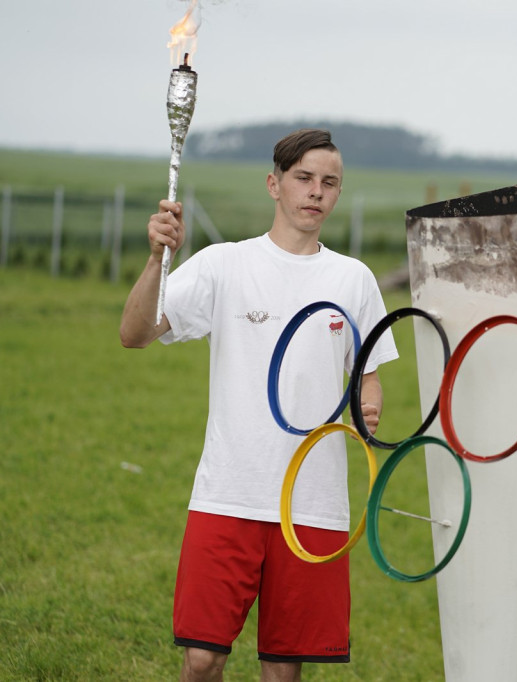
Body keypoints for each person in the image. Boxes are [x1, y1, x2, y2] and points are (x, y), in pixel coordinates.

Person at [120, 129, 398, 682]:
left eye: (329, 183)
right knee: (202, 660)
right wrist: (157, 259)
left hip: (311, 506)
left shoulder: (354, 279)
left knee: (282, 670)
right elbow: (134, 334)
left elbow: (366, 379)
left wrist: (367, 406)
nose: (316, 192)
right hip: (228, 496)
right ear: (274, 184)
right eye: (303, 179)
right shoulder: (223, 265)